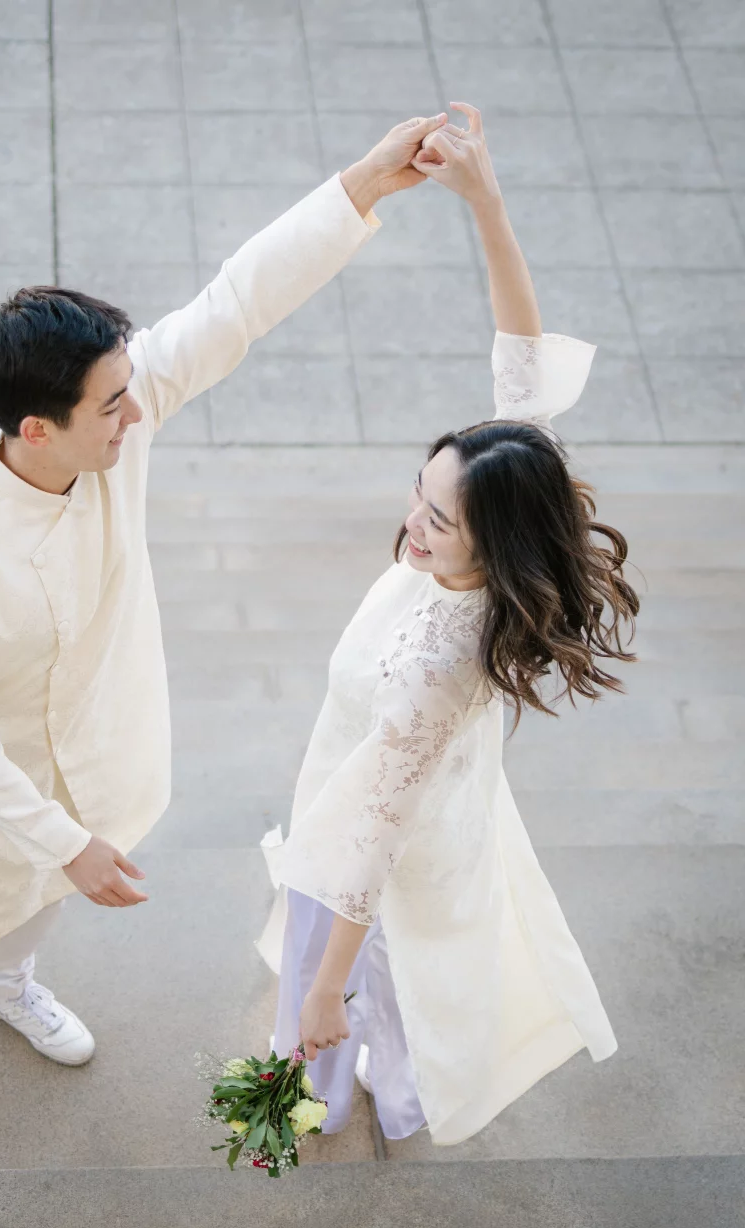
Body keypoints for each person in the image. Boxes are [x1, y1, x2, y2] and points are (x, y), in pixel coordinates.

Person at [0, 112, 461, 1130]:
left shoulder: (118, 407)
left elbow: (236, 301)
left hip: (76, 737)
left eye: (131, 391)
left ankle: (1, 983)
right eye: (112, 406)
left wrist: (364, 184)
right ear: (38, 427)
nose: (137, 414)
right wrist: (68, 839)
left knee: (36, 899)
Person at [257, 104, 639, 1146]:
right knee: (402, 970)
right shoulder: (513, 484)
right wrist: (485, 201)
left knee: (350, 979)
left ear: (495, 544)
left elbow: (365, 843)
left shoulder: (437, 659)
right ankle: (368, 1072)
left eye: (436, 519)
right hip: (422, 800)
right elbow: (519, 347)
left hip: (390, 829)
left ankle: (323, 1090)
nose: (411, 525)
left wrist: (323, 985)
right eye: (418, 495)